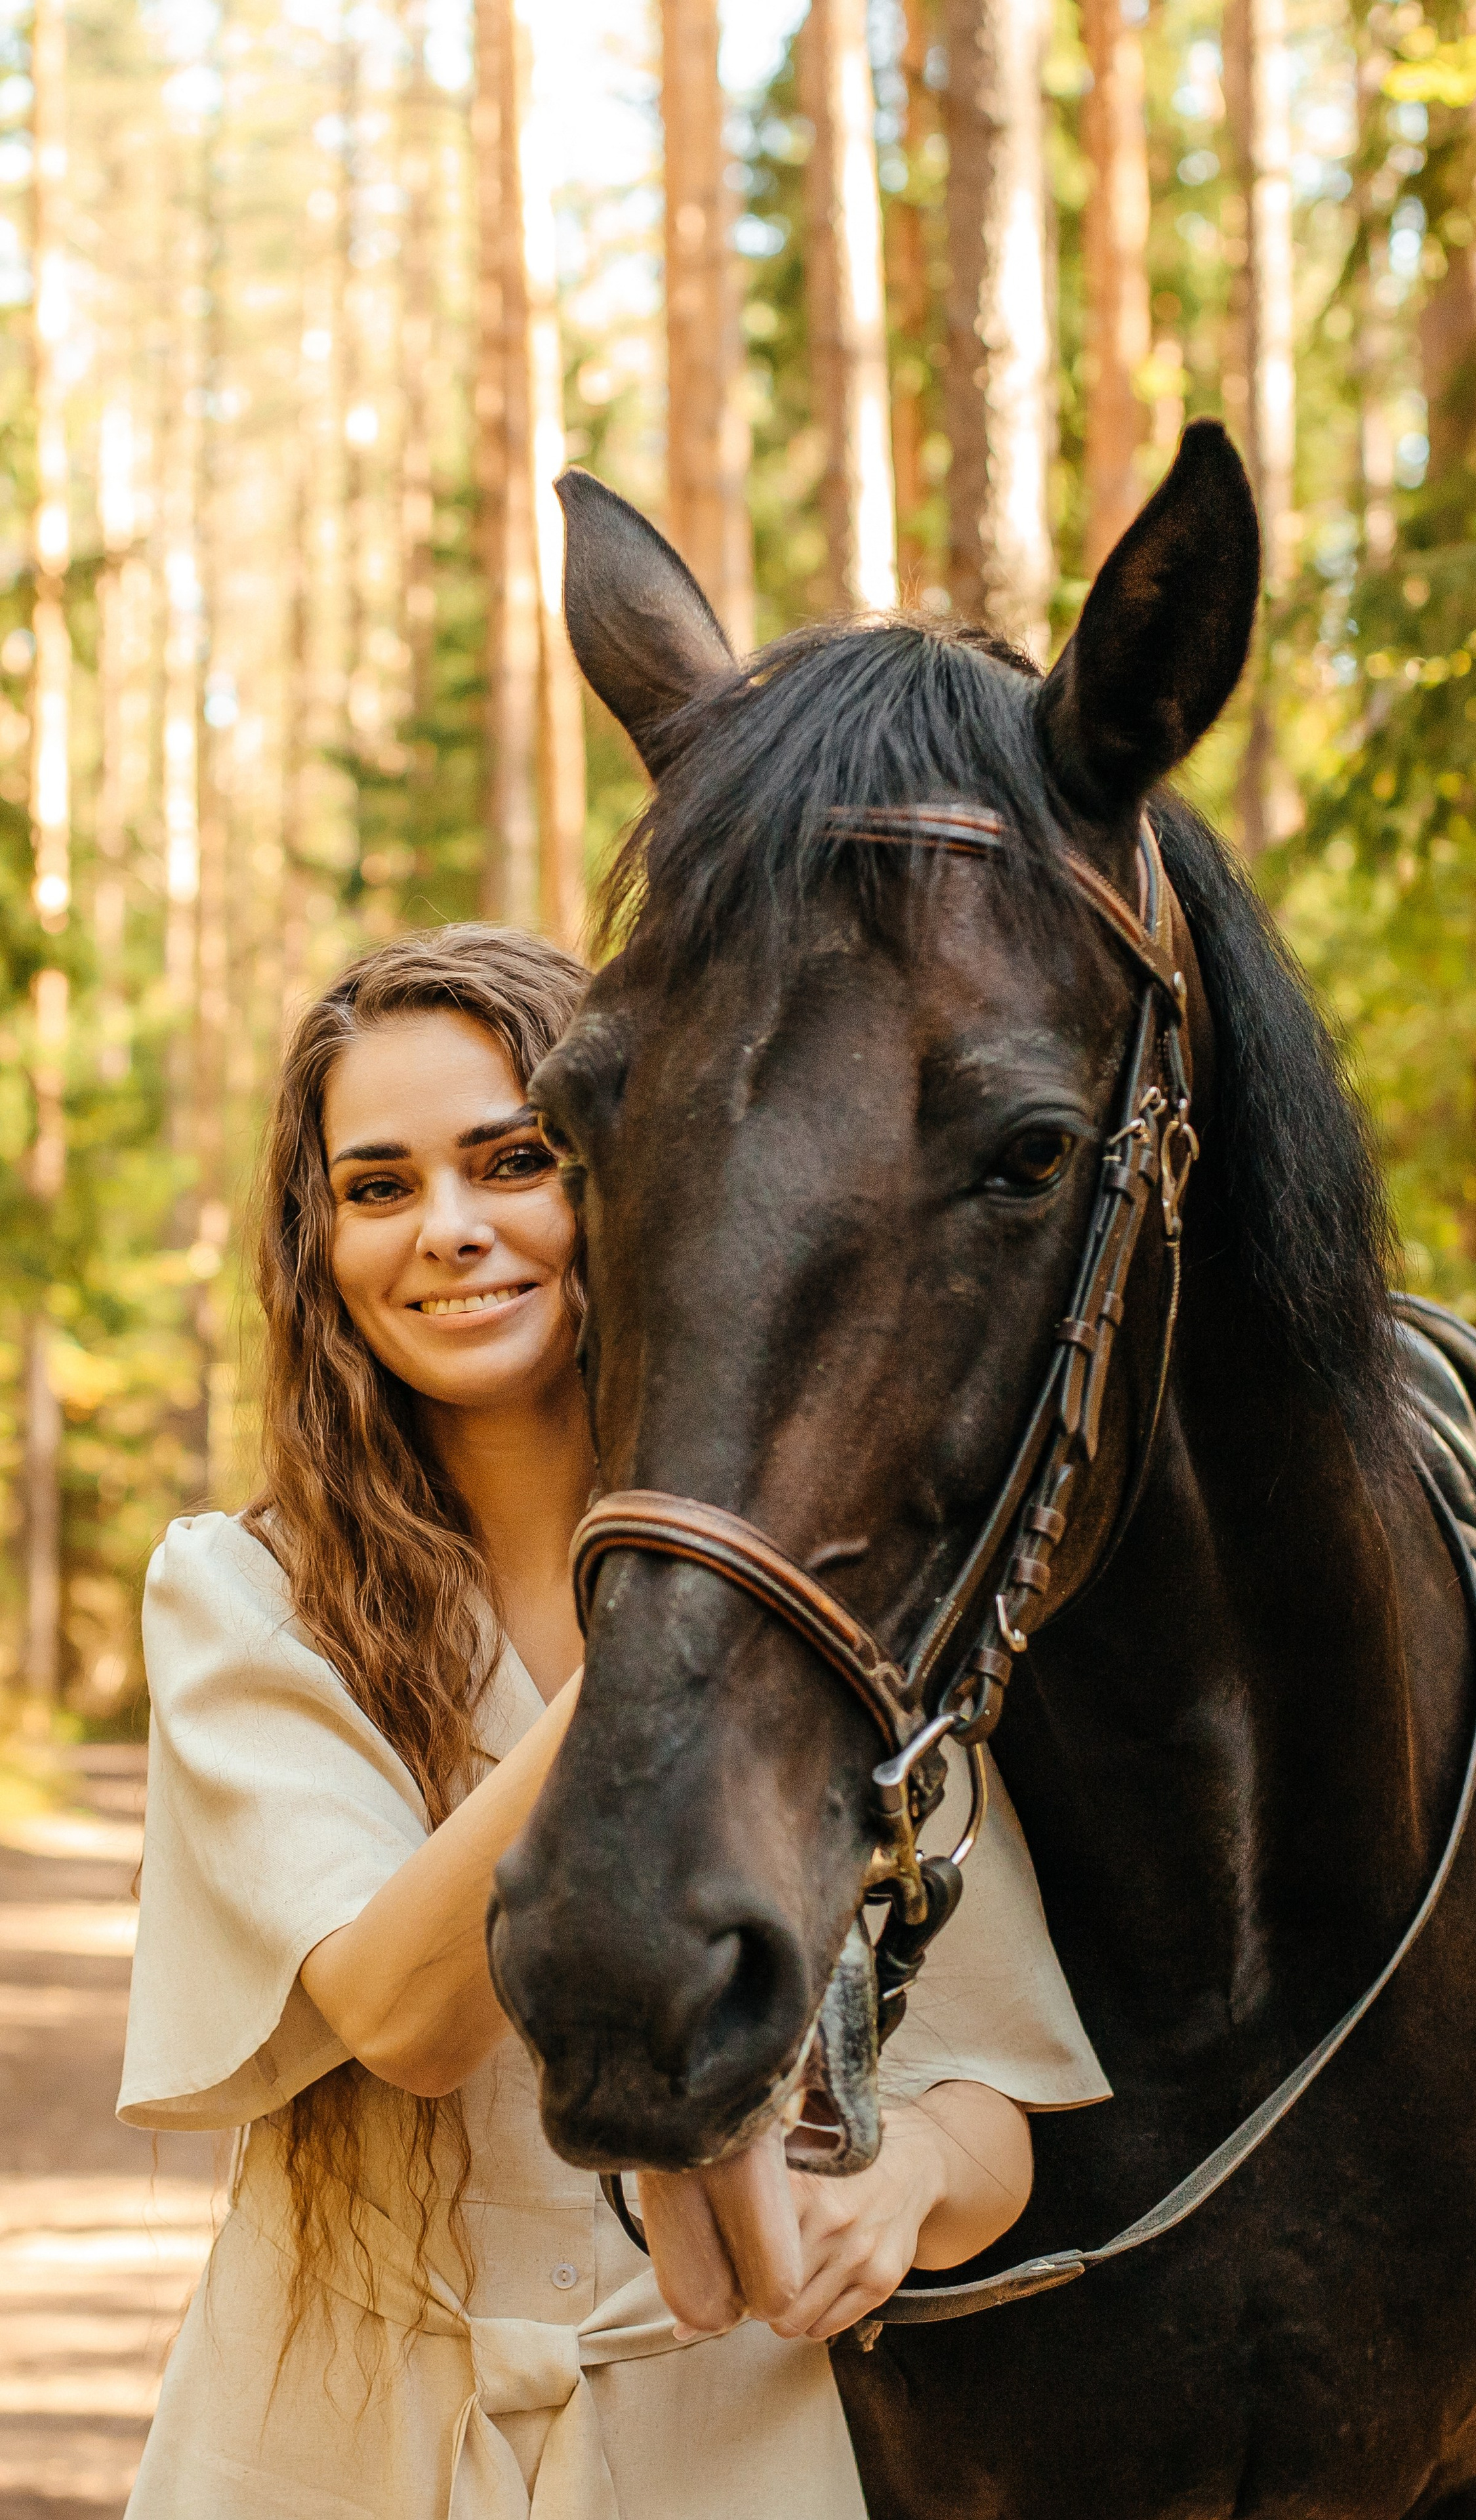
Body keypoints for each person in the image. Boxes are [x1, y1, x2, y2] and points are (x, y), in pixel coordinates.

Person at [118, 924, 1111, 2520]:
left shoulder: (839, 1604)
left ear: (635, 1185)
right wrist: (690, 1613)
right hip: (323, 2443)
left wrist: (910, 2176)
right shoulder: (245, 1598)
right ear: (322, 1248)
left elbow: (992, 2086)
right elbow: (406, 2014)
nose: (446, 1229)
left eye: (511, 1161)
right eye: (377, 1187)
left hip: (727, 2459)